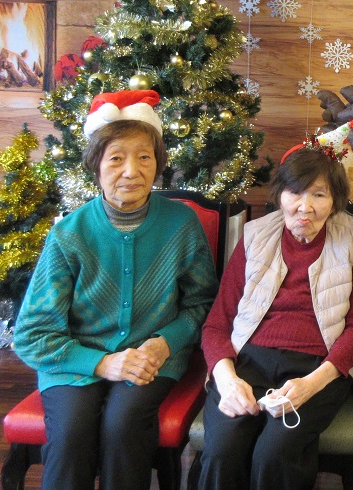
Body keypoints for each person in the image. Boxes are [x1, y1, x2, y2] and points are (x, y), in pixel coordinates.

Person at [13, 89, 218, 490]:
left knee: (123, 426)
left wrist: (164, 344)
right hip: (74, 360)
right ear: (96, 164)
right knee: (71, 433)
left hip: (150, 358)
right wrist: (102, 363)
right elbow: (32, 335)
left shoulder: (181, 225)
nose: (132, 171)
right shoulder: (69, 234)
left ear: (157, 164)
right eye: (116, 158)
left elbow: (203, 304)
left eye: (144, 157)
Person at [198, 128, 353, 490]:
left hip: (319, 367)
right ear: (280, 194)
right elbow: (217, 323)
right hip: (247, 362)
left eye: (319, 194)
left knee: (274, 454)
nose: (304, 206)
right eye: (295, 192)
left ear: (335, 200)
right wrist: (228, 381)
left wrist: (311, 385)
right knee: (222, 450)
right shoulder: (254, 235)